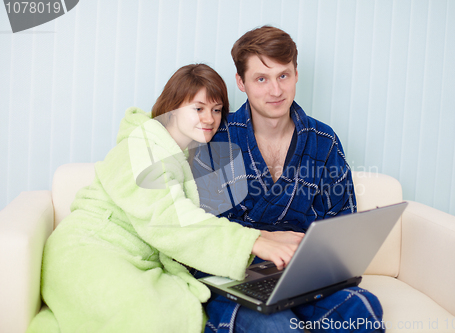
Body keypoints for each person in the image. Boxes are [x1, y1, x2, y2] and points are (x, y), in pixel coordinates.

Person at [26, 64, 302, 333]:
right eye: (198, 108)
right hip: (89, 249)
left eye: (217, 110)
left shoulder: (190, 157)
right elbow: (169, 218)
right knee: (149, 317)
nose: (209, 119)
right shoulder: (140, 146)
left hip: (137, 259)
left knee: (173, 308)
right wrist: (253, 242)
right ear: (171, 108)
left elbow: (201, 218)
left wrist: (266, 235)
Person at [193, 27, 384, 333]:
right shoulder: (216, 141)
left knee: (362, 308)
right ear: (241, 82)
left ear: (296, 74)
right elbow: (199, 232)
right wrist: (262, 242)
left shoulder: (324, 141)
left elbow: (341, 225)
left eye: (283, 76)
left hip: (303, 277)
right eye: (261, 79)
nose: (276, 90)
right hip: (234, 277)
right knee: (279, 328)